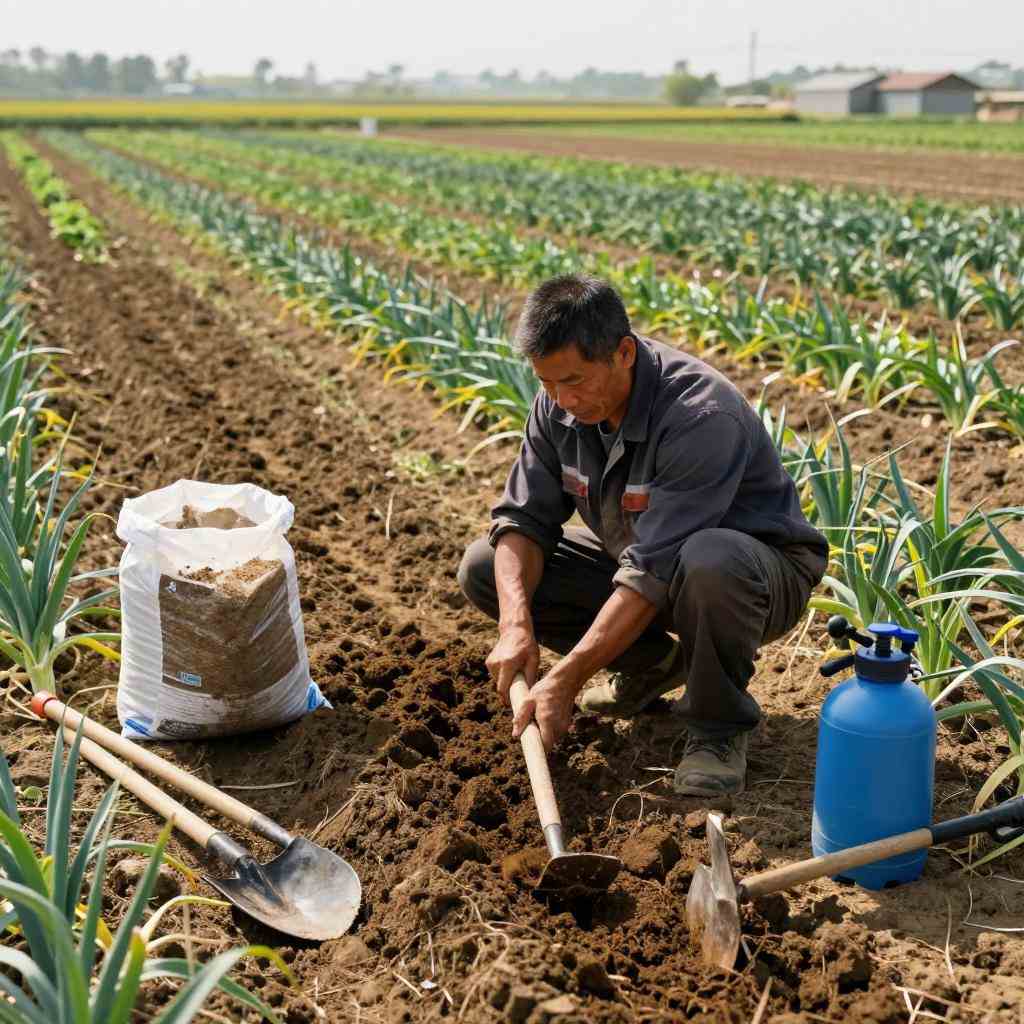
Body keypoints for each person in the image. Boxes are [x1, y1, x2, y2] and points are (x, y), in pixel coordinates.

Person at [457, 274, 827, 797]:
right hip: (647, 566)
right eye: (547, 384)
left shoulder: (700, 415)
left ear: (624, 353)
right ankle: (653, 665)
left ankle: (718, 728)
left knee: (708, 557)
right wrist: (515, 623)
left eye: (575, 381)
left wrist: (569, 675)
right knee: (484, 566)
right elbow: (522, 520)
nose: (561, 400)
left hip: (753, 579)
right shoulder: (560, 406)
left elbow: (655, 568)